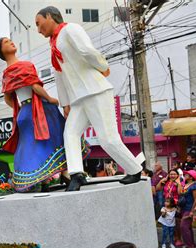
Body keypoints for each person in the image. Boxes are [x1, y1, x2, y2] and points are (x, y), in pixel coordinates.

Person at [35, 7, 143, 191]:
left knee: (107, 138)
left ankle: (134, 169)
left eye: (39, 23)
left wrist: (103, 66)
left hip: (95, 91)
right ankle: (77, 174)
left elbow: (87, 50)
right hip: (78, 98)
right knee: (70, 134)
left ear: (49, 17)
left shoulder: (70, 29)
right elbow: (60, 75)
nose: (38, 29)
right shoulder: (53, 44)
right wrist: (66, 103)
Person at [0, 37, 88, 192]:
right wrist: (50, 99)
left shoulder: (6, 74)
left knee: (30, 147)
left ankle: (36, 179)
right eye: (7, 42)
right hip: (41, 110)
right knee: (59, 139)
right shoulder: (24, 65)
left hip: (24, 113)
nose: (11, 42)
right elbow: (35, 86)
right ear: (3, 50)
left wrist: (22, 107)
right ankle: (67, 173)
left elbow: (8, 98)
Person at [178, 169, 196, 248]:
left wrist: (192, 211)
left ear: (191, 177)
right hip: (184, 208)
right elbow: (180, 191)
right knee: (188, 227)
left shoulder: (195, 186)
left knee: (184, 226)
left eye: (187, 175)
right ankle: (191, 244)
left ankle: (190, 247)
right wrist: (180, 178)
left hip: (189, 208)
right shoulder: (186, 184)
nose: (185, 176)